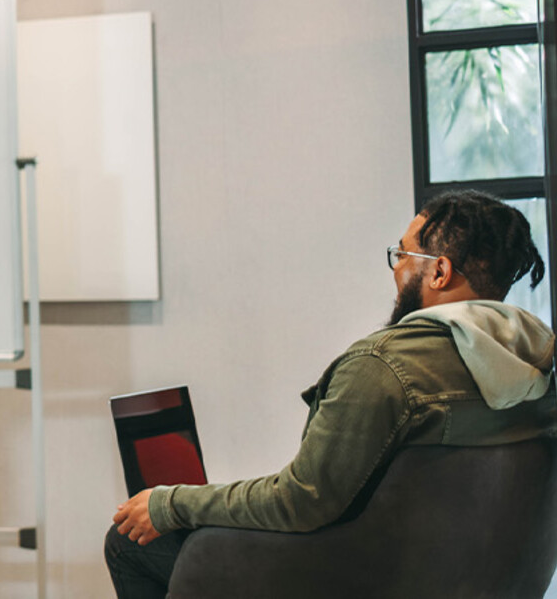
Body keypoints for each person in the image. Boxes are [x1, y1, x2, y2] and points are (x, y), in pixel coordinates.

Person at [105, 190, 556, 598]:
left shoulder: (385, 365)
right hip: (473, 579)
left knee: (130, 541)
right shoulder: (536, 367)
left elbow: (301, 500)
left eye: (403, 254)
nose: (396, 268)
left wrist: (171, 503)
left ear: (439, 271)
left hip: (360, 578)